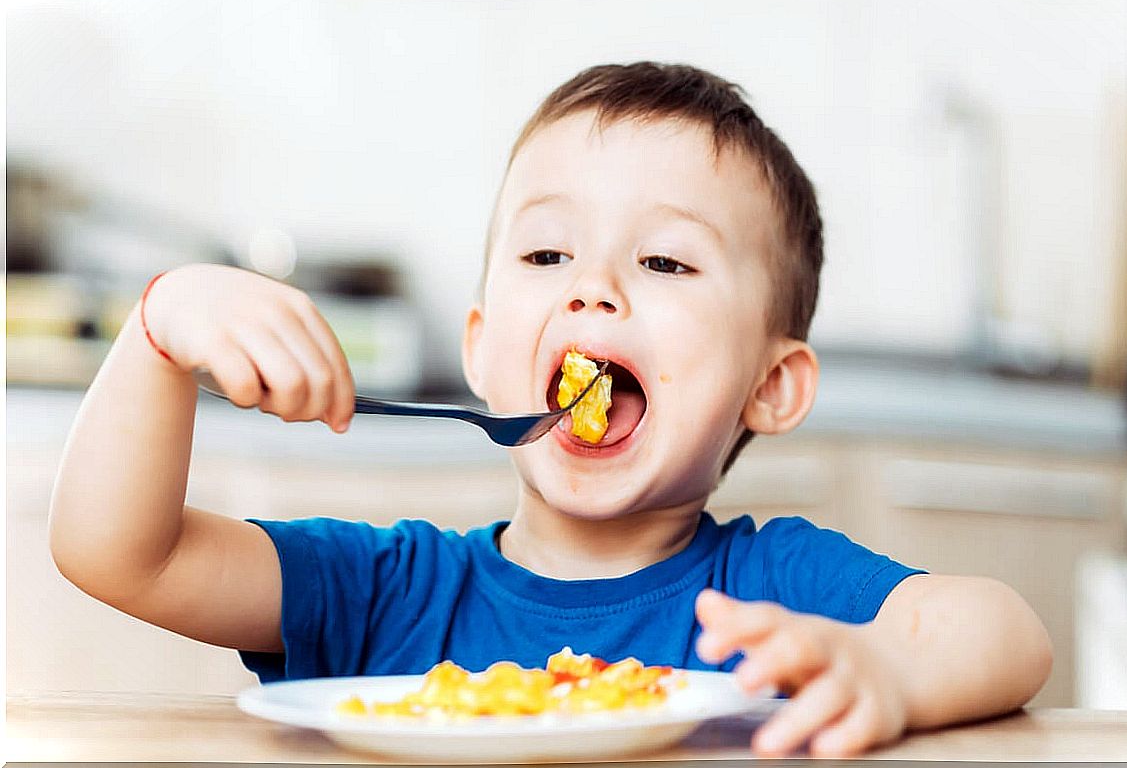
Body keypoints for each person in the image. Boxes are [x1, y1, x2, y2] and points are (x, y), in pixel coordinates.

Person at [51, 62, 1052, 757]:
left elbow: (1005, 631)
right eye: (546, 254)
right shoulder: (392, 592)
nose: (594, 288)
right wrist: (161, 326)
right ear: (482, 349)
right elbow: (118, 552)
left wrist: (888, 668)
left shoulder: (772, 594)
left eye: (663, 261)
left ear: (770, 386)